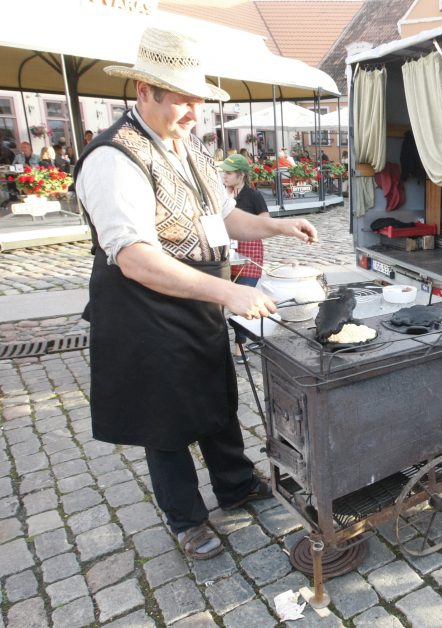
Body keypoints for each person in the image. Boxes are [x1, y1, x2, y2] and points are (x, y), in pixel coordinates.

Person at [75, 27, 318, 561]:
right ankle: (186, 519)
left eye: (197, 99)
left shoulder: (192, 150)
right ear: (144, 91)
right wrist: (228, 293)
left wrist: (275, 227)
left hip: (198, 298)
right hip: (144, 306)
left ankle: (234, 483)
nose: (193, 110)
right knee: (165, 418)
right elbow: (136, 258)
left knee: (214, 395)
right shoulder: (114, 157)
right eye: (182, 98)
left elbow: (222, 219)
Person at [220, 153, 268, 363]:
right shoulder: (223, 195)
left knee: (243, 296)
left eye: (229, 174)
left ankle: (240, 346)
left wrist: (246, 226)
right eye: (224, 173)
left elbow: (265, 222)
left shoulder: (253, 196)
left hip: (249, 250)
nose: (225, 177)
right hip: (227, 250)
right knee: (225, 298)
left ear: (241, 175)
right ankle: (251, 333)